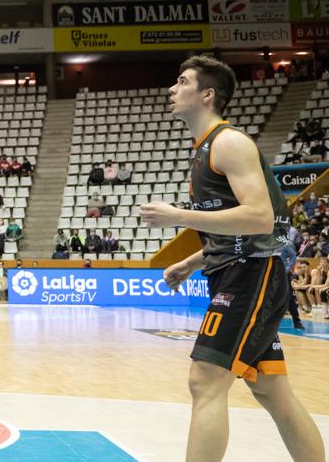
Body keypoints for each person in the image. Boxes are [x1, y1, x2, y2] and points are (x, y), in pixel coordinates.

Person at [141, 55, 323, 462]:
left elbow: (260, 218)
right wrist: (192, 262)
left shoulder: (228, 143)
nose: (172, 88)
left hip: (251, 277)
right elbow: (239, 229)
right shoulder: (205, 148)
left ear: (207, 94)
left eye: (182, 81)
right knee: (272, 391)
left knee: (204, 381)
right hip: (237, 272)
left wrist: (177, 216)